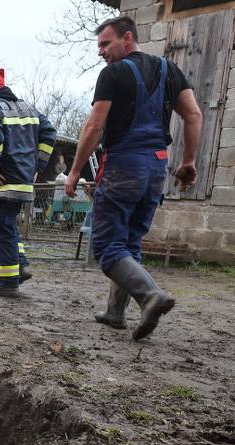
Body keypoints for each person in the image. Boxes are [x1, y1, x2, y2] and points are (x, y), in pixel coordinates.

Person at [65, 16, 202, 341]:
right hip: (156, 167)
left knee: (106, 246)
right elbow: (193, 114)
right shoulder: (170, 71)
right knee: (128, 241)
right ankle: (115, 313)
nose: (101, 52)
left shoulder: (112, 74)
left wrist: (74, 171)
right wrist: (189, 161)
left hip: (124, 165)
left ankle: (150, 295)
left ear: (127, 39)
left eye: (105, 44)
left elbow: (94, 127)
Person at [0, 67, 57, 298]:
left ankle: (8, 283)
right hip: (22, 180)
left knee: (0, 227)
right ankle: (20, 264)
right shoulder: (28, 108)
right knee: (8, 224)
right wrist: (37, 167)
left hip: (3, 180)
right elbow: (49, 133)